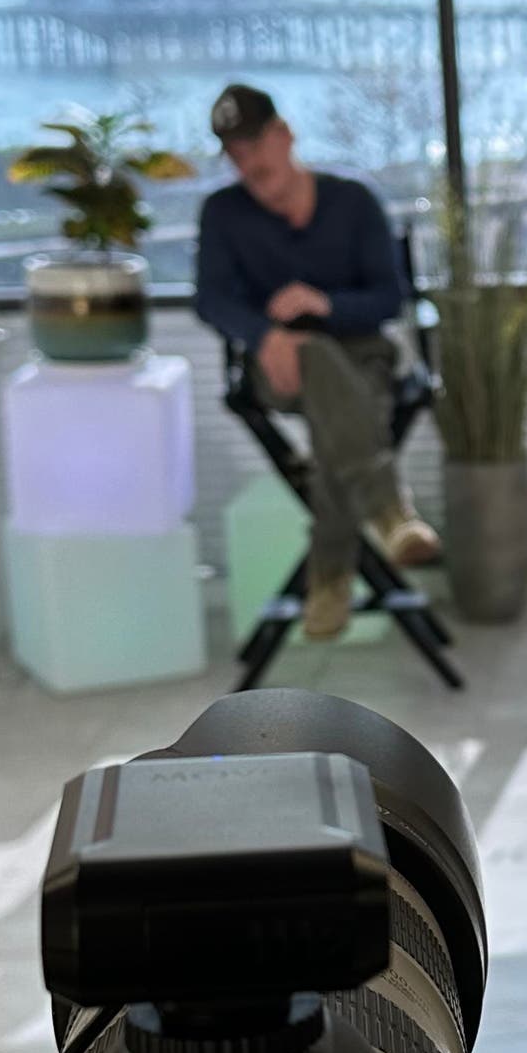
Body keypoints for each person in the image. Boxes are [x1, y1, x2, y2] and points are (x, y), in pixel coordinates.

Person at [192, 82, 439, 644]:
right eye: (234, 152)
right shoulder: (223, 215)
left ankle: (329, 573)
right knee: (317, 362)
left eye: (254, 144)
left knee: (336, 419)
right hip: (278, 368)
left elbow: (389, 299)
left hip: (363, 358)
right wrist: (264, 336)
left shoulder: (354, 201)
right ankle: (388, 511)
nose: (247, 162)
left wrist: (322, 304)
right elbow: (211, 299)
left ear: (285, 134)